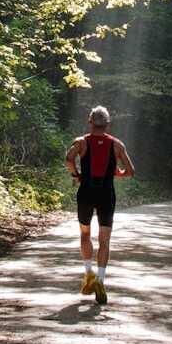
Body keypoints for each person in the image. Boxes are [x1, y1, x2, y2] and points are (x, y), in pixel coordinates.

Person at [65, 105, 134, 304]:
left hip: (86, 192)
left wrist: (76, 175)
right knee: (104, 241)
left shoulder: (81, 142)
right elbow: (130, 171)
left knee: (85, 234)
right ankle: (101, 282)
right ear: (107, 124)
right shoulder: (117, 145)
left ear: (90, 122)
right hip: (106, 194)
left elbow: (69, 158)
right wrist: (117, 173)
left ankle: (88, 275)